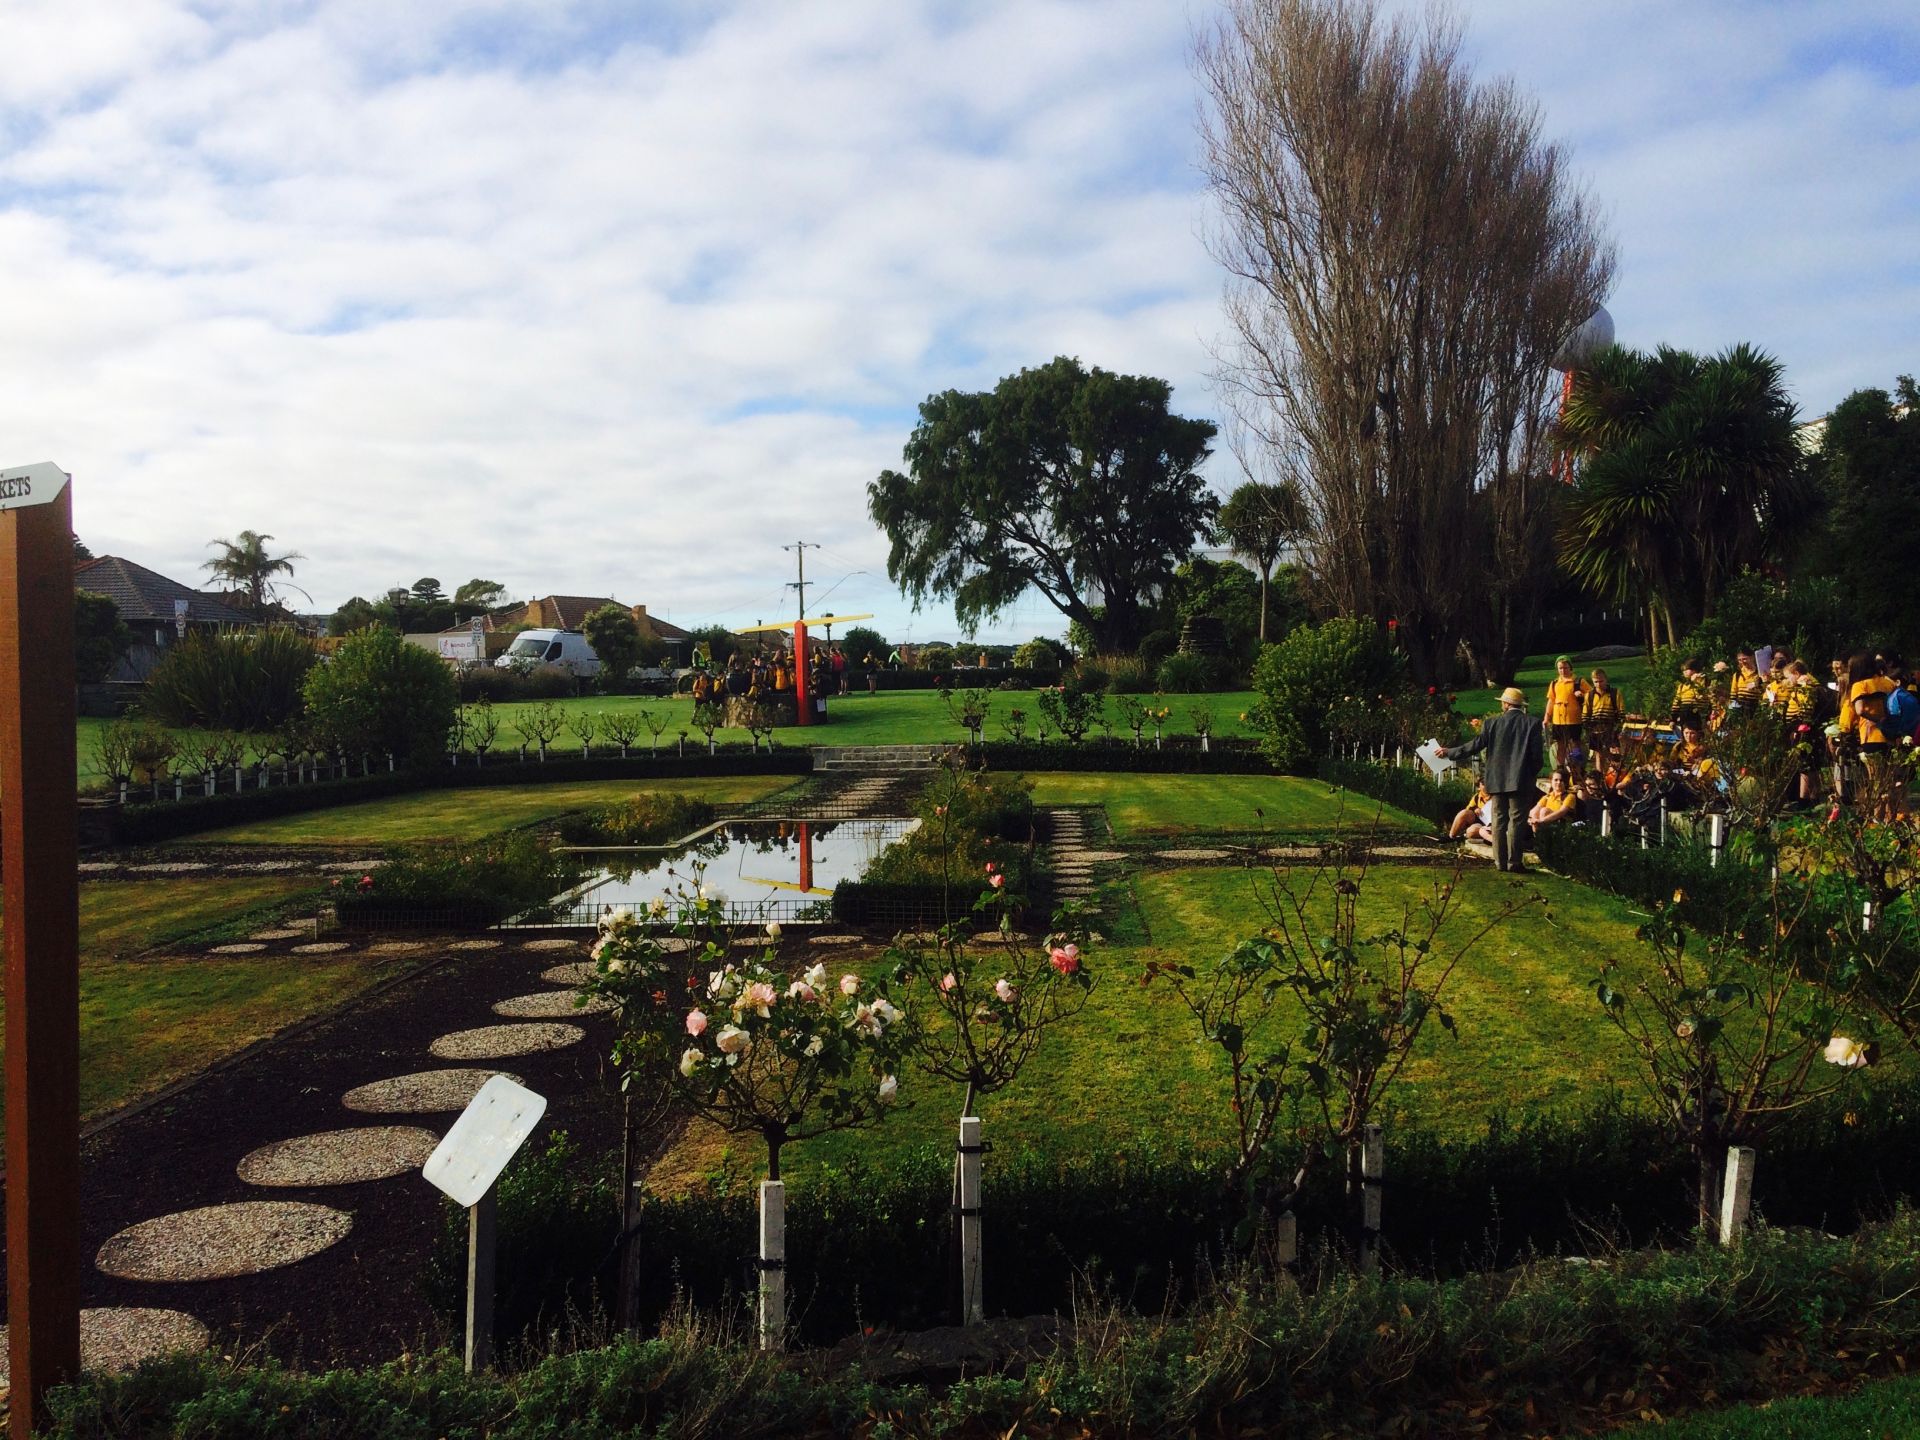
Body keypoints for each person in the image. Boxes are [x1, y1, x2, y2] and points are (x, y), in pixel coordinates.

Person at [1440, 686, 1544, 873]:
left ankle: (1499, 862)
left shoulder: (1492, 723)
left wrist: (1449, 753)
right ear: (1520, 706)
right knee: (1516, 821)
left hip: (1496, 780)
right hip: (1521, 779)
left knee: (1498, 820)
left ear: (1505, 704)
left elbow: (1474, 746)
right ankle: (1514, 862)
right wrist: (1529, 774)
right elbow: (1537, 758)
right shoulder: (1532, 724)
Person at [1542, 656, 1587, 769]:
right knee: (1560, 745)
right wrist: (1547, 717)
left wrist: (1581, 694)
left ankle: (1577, 767)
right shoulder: (1555, 683)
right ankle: (1560, 768)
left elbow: (1591, 696)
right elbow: (1551, 701)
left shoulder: (1578, 681)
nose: (1563, 671)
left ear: (1570, 668)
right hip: (1559, 720)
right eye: (1560, 668)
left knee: (1575, 743)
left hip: (1574, 719)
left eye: (1565, 668)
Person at [1584, 667, 1623, 761]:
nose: (1598, 684)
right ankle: (1599, 773)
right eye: (1596, 682)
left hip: (1610, 726)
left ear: (1606, 680)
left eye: (1601, 681)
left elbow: (1621, 711)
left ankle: (1614, 772)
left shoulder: (1614, 693)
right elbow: (1585, 713)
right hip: (1595, 727)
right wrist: (1587, 727)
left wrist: (1618, 726)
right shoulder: (1589, 695)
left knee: (1614, 752)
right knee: (1598, 754)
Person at [1528, 768, 1578, 832]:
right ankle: (1538, 838)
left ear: (1565, 782)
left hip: (1563, 825)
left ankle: (1542, 837)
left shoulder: (1570, 796)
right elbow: (1533, 811)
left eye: (1561, 780)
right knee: (1534, 814)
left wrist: (1542, 820)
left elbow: (1561, 812)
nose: (1558, 782)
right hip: (1545, 823)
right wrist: (1531, 819)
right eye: (1556, 780)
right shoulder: (1547, 796)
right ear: (1551, 781)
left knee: (1544, 811)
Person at [1672, 657, 1710, 732]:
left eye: (1687, 669)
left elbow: (1701, 696)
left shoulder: (1704, 682)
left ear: (1695, 669)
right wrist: (1673, 718)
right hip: (1685, 714)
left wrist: (1697, 682)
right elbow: (1676, 702)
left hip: (1698, 714)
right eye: (1683, 670)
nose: (1684, 672)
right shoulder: (1682, 686)